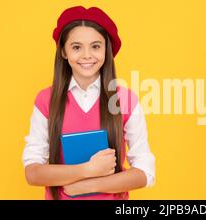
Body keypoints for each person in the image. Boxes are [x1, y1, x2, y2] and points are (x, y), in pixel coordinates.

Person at [22, 6, 155, 200]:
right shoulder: (45, 101)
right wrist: (88, 169)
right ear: (64, 52)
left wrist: (88, 185)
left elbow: (145, 172)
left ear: (106, 50)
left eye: (95, 46)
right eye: (76, 47)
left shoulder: (125, 100)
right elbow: (32, 173)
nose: (86, 55)